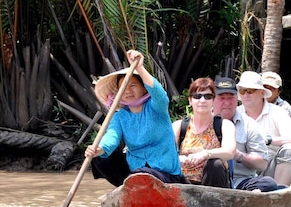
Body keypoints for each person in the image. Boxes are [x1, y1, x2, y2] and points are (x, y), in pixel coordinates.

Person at [85, 50, 185, 187]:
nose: (128, 91)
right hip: (136, 171)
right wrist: (100, 148)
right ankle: (127, 189)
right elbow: (112, 136)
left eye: (133, 85)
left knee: (143, 175)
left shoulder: (156, 108)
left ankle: (134, 185)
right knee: (100, 159)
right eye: (123, 87)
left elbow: (160, 95)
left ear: (144, 89)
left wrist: (140, 68)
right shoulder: (120, 116)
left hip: (165, 174)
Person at [212, 76, 281, 192]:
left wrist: (237, 155)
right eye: (222, 98)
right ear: (212, 99)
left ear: (237, 99)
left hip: (239, 182)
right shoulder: (201, 121)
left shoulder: (249, 125)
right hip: (207, 179)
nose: (227, 103)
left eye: (231, 98)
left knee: (268, 184)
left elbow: (262, 164)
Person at [237, 71, 291, 187]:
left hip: (270, 167)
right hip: (242, 168)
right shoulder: (235, 113)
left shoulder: (279, 112)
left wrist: (268, 140)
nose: (246, 95)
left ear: (262, 93)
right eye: (243, 91)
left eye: (251, 90)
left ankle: (279, 193)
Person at [171, 77, 236, 187]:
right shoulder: (179, 126)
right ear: (190, 101)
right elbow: (165, 153)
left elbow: (230, 152)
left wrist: (206, 154)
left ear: (213, 100)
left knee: (215, 163)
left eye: (208, 96)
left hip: (212, 183)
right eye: (197, 96)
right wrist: (178, 158)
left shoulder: (224, 125)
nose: (202, 100)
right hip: (183, 182)